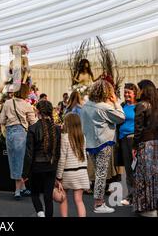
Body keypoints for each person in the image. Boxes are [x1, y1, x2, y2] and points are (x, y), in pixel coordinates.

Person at [80, 79, 125, 214]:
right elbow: (121, 117)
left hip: (90, 143)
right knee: (101, 173)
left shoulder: (86, 105)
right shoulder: (104, 107)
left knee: (98, 173)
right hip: (103, 143)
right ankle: (98, 203)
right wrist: (116, 102)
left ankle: (99, 202)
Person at [23, 100, 61, 217]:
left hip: (36, 167)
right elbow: (58, 152)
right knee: (48, 197)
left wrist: (25, 173)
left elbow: (29, 154)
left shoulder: (33, 128)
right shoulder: (57, 129)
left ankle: (40, 213)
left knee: (35, 194)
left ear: (37, 111)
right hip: (51, 167)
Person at [0, 84, 36, 200]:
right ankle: (17, 191)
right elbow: (33, 122)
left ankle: (23, 187)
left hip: (9, 134)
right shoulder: (27, 105)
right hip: (21, 134)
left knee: (13, 160)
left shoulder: (7, 103)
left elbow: (2, 120)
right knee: (20, 162)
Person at [56, 113, 90, 217]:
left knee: (63, 198)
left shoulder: (64, 137)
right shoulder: (82, 137)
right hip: (81, 172)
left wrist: (58, 176)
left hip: (68, 173)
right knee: (79, 200)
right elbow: (85, 155)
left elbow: (62, 158)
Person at [133, 80, 158, 217]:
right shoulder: (155, 105)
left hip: (146, 145)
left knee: (145, 175)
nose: (137, 91)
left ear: (144, 90)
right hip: (156, 144)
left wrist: (134, 146)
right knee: (155, 176)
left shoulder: (142, 105)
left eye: (139, 88)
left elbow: (138, 129)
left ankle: (148, 207)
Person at [117, 83, 138, 206]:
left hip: (133, 139)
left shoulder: (138, 106)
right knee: (128, 169)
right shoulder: (123, 105)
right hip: (123, 140)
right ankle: (131, 196)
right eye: (125, 92)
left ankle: (138, 195)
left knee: (135, 168)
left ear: (135, 94)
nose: (126, 94)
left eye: (129, 92)